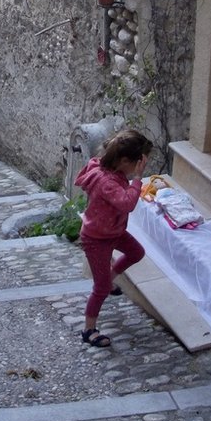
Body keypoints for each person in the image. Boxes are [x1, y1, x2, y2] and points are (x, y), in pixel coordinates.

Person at [74, 129, 152, 347]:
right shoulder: (106, 181)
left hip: (112, 231)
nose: (139, 168)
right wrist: (137, 180)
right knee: (100, 287)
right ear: (125, 161)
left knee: (137, 252)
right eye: (138, 164)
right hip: (97, 238)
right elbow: (127, 203)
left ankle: (110, 279)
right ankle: (89, 330)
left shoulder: (106, 166)